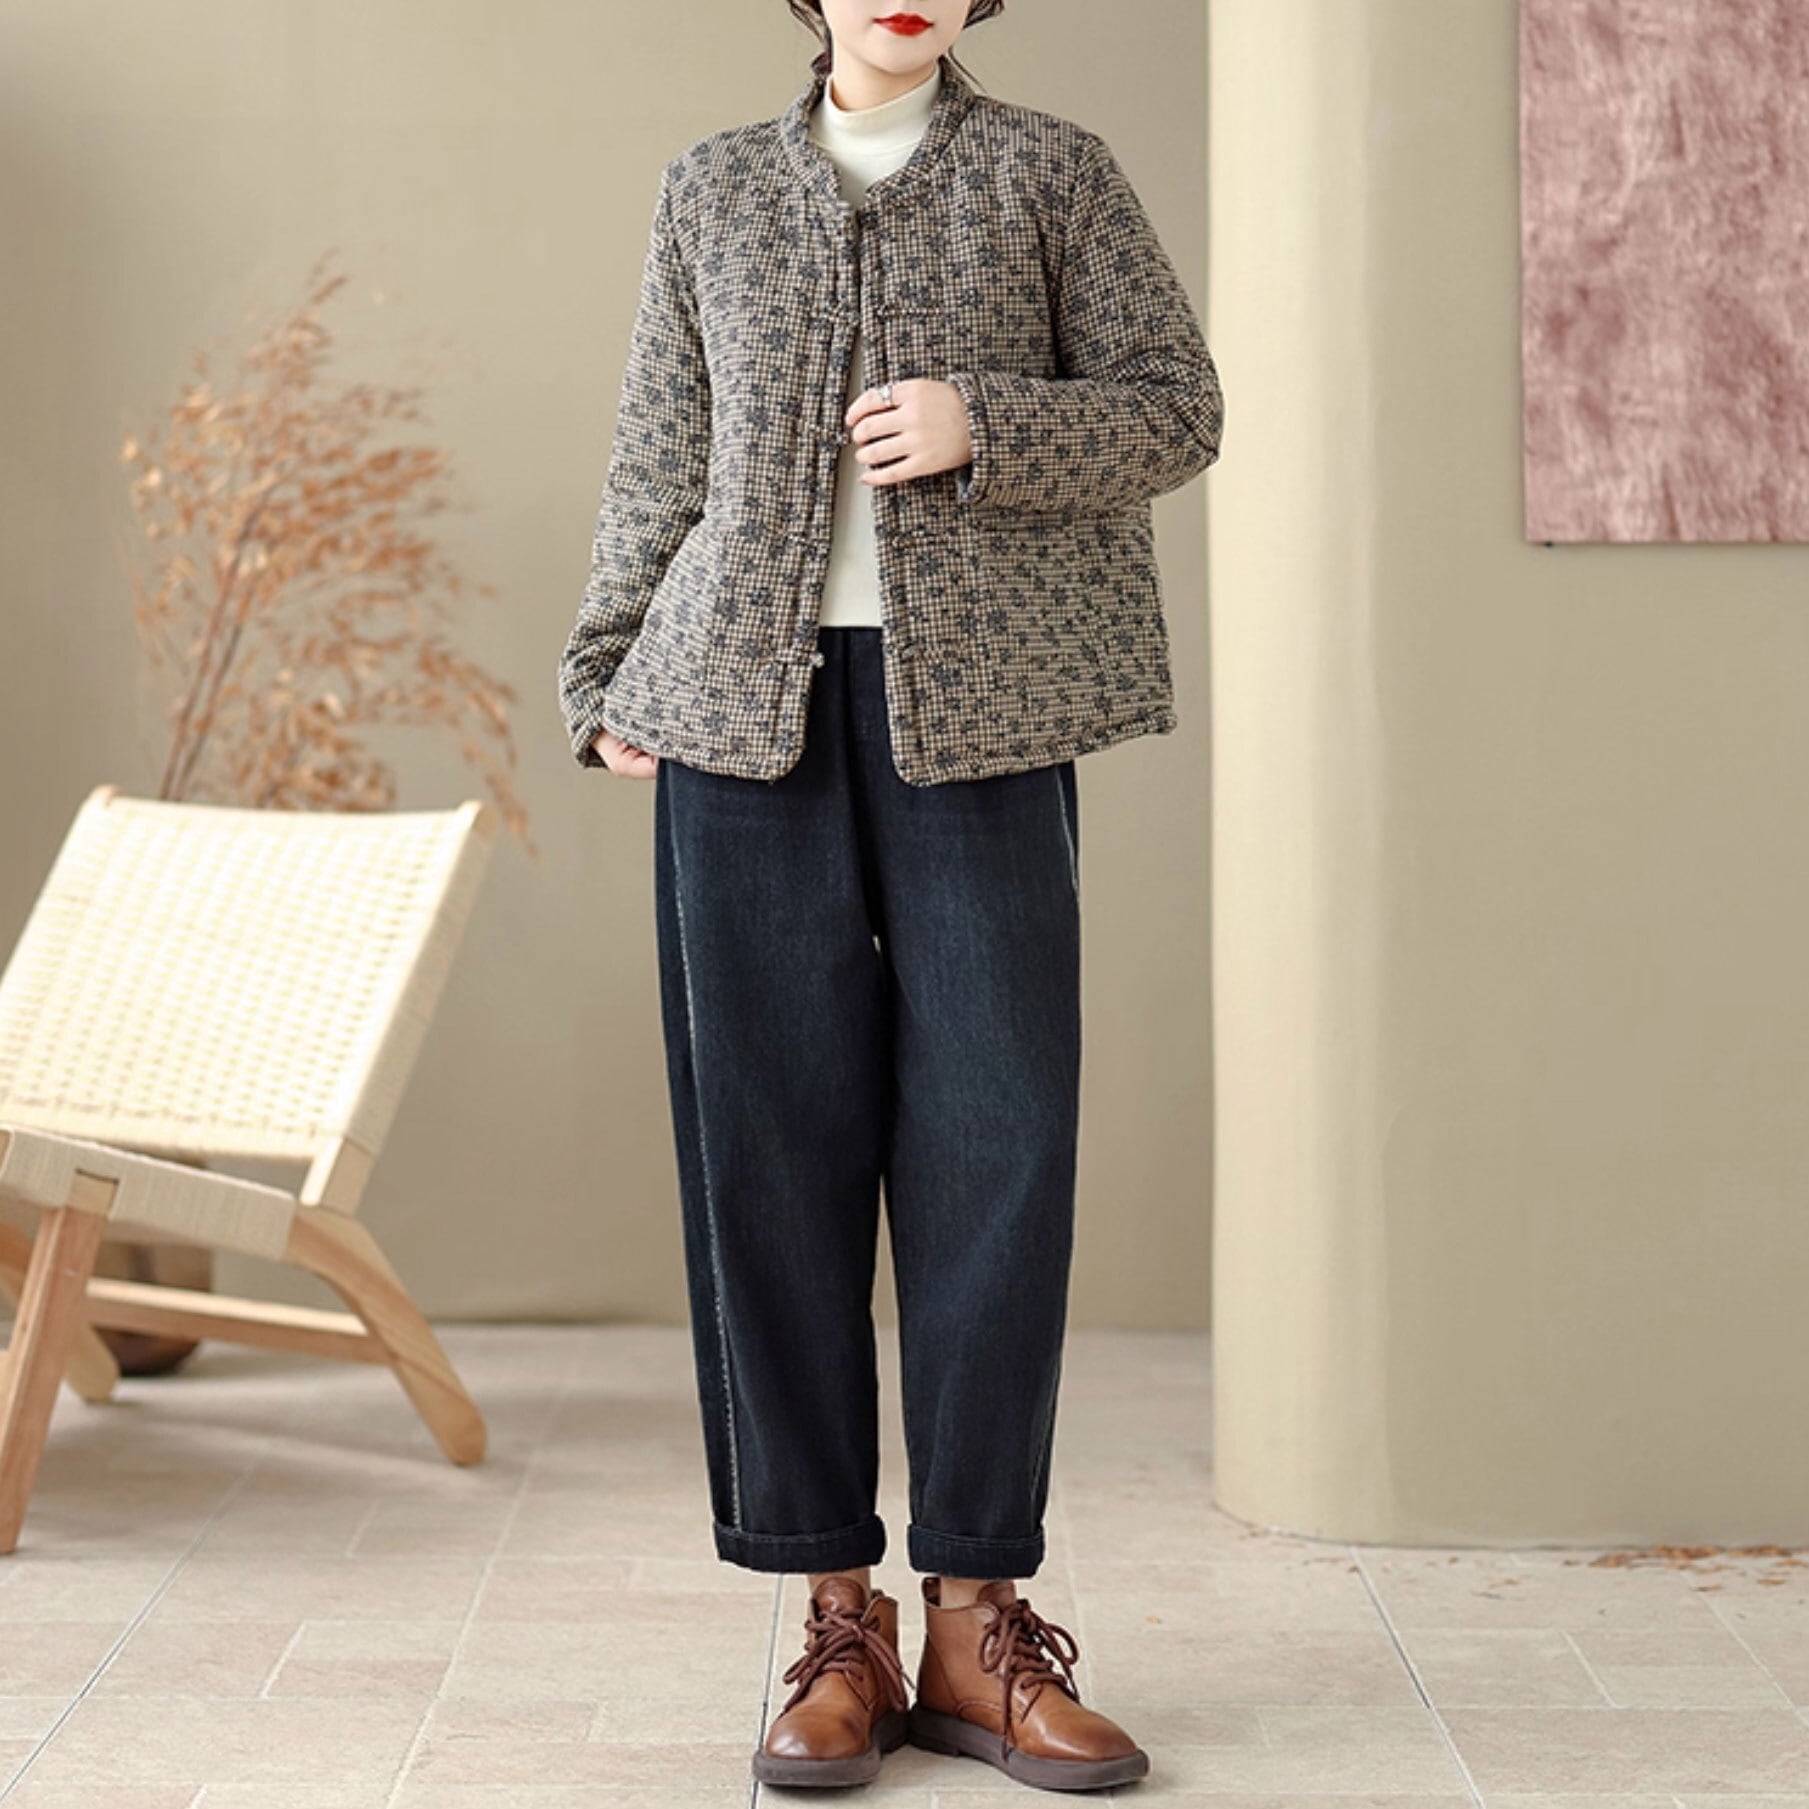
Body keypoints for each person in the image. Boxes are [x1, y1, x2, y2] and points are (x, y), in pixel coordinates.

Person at [556, 0, 1222, 1791]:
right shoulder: (711, 188)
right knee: (765, 1151)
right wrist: (609, 666)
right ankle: (829, 1617)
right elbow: (659, 450)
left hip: (986, 714)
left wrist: (981, 420)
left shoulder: (1051, 171)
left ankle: (976, 1623)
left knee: (998, 1144)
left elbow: (1179, 406)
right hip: (737, 713)